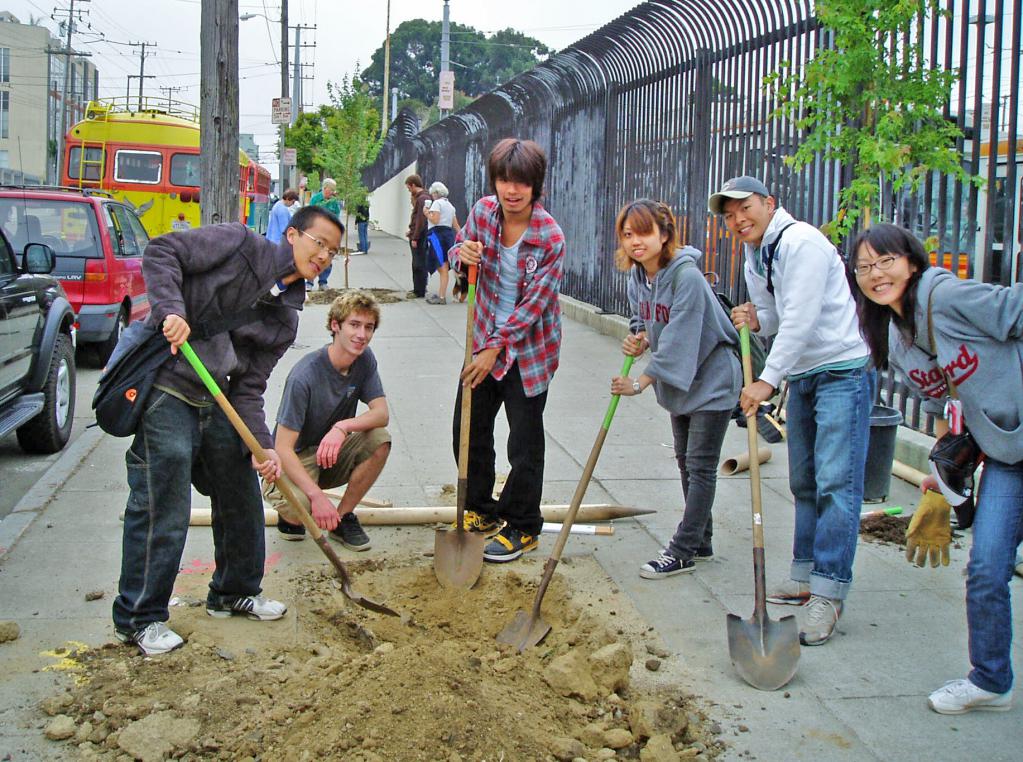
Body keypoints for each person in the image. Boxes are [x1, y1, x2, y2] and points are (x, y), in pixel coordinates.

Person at [112, 204, 344, 656]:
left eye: (332, 252)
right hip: (168, 386)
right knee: (165, 499)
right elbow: (162, 252)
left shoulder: (285, 319)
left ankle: (234, 591)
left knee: (241, 485)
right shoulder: (239, 245)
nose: (323, 256)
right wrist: (171, 310)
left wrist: (260, 445)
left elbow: (249, 389)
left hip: (216, 397)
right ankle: (139, 617)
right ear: (293, 235)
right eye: (319, 243)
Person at [849, 222, 1023, 714]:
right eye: (864, 266)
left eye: (885, 261)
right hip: (1008, 456)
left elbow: (1014, 309)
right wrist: (942, 477)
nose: (876, 274)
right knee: (987, 567)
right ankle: (991, 680)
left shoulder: (945, 296)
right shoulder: (895, 335)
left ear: (911, 260)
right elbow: (947, 408)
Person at [709, 175, 874, 646]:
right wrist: (757, 318)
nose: (737, 220)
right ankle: (804, 576)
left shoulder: (801, 242)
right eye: (729, 214)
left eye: (745, 208)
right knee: (803, 479)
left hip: (841, 370)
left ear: (769, 203)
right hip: (804, 374)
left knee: (836, 483)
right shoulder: (755, 253)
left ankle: (829, 592)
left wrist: (766, 380)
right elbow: (779, 317)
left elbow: (800, 318)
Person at [609, 199, 741, 578]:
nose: (636, 242)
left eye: (645, 232)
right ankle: (702, 540)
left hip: (712, 378)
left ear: (664, 234)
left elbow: (680, 339)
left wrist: (640, 381)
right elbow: (644, 317)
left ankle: (682, 549)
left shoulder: (687, 278)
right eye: (628, 234)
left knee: (700, 467)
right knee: (685, 463)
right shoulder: (639, 276)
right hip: (681, 384)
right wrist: (638, 336)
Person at [450, 138, 564, 562]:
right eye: (504, 180)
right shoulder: (483, 212)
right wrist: (463, 253)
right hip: (481, 339)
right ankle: (481, 509)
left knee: (525, 443)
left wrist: (495, 347)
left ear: (536, 186)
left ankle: (522, 524)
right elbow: (457, 253)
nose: (511, 190)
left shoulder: (550, 237)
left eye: (521, 183)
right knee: (467, 427)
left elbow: (535, 305)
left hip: (528, 353)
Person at [263, 290, 390, 549]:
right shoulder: (304, 376)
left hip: (329, 452)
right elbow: (282, 448)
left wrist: (342, 427)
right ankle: (290, 516)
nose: (361, 335)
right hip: (294, 458)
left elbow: (381, 414)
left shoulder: (364, 360)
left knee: (380, 439)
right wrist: (317, 496)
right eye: (354, 325)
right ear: (335, 325)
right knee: (304, 507)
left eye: (368, 327)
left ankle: (341, 519)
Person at [424, 181, 461, 305]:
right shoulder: (450, 206)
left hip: (436, 235)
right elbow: (456, 225)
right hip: (448, 235)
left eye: (432, 193)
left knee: (441, 266)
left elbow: (435, 220)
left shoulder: (437, 204)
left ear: (435, 193)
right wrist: (461, 238)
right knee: (444, 266)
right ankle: (441, 295)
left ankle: (441, 297)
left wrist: (426, 213)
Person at [307, 178, 342, 290]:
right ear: (325, 188)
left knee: (328, 258)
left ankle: (323, 282)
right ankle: (309, 282)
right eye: (330, 190)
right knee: (313, 257)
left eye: (333, 190)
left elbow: (337, 217)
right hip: (316, 234)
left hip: (329, 235)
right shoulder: (315, 199)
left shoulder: (334, 202)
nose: (331, 192)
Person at [405, 174, 431, 299]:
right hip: (420, 235)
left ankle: (418, 291)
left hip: (419, 237)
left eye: (409, 187)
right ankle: (420, 289)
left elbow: (420, 220)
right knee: (420, 262)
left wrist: (415, 237)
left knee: (418, 263)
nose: (409, 190)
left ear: (413, 185)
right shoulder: (425, 197)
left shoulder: (421, 199)